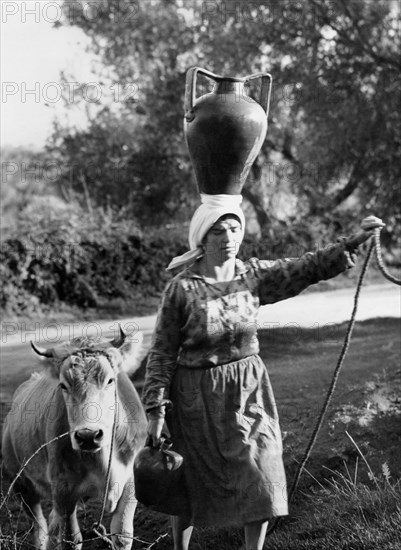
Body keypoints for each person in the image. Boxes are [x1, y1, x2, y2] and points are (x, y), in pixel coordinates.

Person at [142, 194, 384, 550]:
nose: (228, 238)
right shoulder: (182, 289)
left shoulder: (252, 275)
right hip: (195, 397)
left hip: (248, 390)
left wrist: (354, 241)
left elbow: (305, 266)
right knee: (190, 481)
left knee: (262, 469)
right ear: (202, 238)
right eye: (218, 231)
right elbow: (162, 353)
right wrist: (155, 411)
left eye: (234, 229)